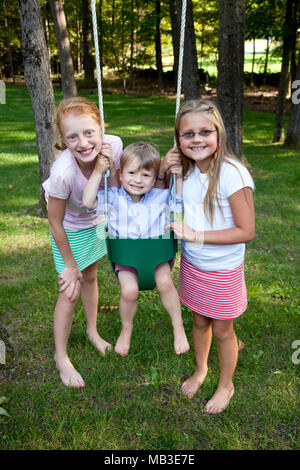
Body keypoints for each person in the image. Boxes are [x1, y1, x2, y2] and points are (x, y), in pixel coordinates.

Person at [165, 99, 255, 414]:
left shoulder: (233, 174)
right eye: (188, 134)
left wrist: (196, 236)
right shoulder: (185, 171)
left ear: (218, 134)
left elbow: (246, 230)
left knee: (222, 329)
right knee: (200, 320)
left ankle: (226, 384)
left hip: (223, 270)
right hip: (194, 265)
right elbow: (162, 198)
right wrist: (167, 168)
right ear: (178, 140)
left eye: (205, 131)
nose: (197, 139)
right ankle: (202, 369)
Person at [43, 97, 123, 388]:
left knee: (90, 277)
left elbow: (114, 186)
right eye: (72, 136)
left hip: (95, 224)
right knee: (70, 289)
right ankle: (61, 357)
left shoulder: (113, 145)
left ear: (100, 129)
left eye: (89, 132)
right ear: (64, 141)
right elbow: (54, 221)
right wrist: (69, 263)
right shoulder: (62, 174)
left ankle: (92, 331)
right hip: (69, 230)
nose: (83, 142)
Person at [82, 141, 190, 357]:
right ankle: (126, 329)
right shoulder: (112, 197)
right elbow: (87, 202)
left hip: (157, 255)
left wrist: (177, 178)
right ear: (120, 174)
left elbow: (179, 204)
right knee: (129, 291)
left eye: (146, 175)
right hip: (126, 257)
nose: (138, 180)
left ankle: (178, 328)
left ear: (155, 177)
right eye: (131, 173)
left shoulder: (160, 196)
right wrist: (98, 172)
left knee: (165, 282)